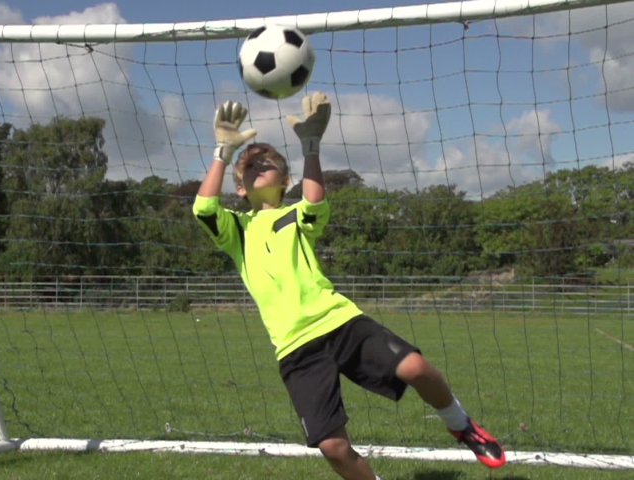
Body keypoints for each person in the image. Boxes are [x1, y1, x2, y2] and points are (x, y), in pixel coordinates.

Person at [191, 93, 506, 479]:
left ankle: (462, 425)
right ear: (239, 188)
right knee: (333, 446)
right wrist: (224, 153)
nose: (257, 165)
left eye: (266, 162)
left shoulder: (295, 215)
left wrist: (311, 147)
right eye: (249, 165)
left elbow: (315, 199)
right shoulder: (237, 230)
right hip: (295, 347)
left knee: (416, 366)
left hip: (341, 322)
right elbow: (203, 208)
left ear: (285, 179)